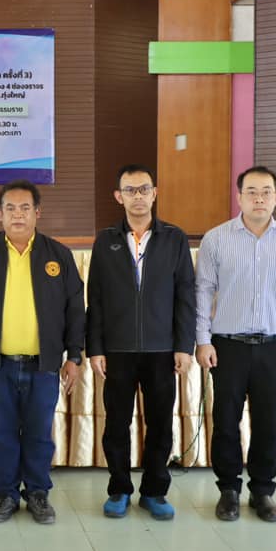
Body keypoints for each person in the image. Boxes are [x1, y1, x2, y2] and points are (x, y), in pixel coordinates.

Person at [0, 180, 85, 524]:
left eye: (25, 208)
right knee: (3, 432)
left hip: (44, 365)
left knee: (40, 433)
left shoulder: (58, 255)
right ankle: (6, 495)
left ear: (37, 213)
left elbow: (75, 310)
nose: (18, 215)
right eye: (10, 208)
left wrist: (74, 356)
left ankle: (38, 493)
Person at [195, 165, 276, 523]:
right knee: (226, 422)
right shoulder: (216, 239)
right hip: (227, 347)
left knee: (268, 424)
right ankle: (228, 490)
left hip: (274, 349)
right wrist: (202, 340)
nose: (259, 198)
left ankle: (262, 491)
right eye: (251, 191)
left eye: (266, 192)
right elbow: (202, 293)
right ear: (239, 197)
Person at [86, 165, 195, 521]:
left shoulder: (174, 239)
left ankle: (154, 491)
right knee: (117, 424)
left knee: (160, 424)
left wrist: (184, 345)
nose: (137, 196)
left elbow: (186, 296)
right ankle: (119, 488)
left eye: (143, 189)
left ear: (154, 193)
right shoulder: (105, 240)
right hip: (117, 350)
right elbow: (95, 299)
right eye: (130, 190)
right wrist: (95, 348)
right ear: (118, 196)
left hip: (162, 350)